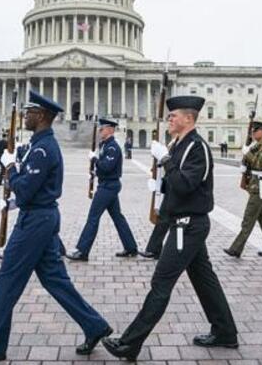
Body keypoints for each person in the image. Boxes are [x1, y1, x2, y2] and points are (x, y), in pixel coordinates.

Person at [0, 90, 112, 363]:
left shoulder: (43, 148)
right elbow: (35, 191)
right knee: (55, 280)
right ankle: (94, 325)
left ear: (41, 116)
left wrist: (10, 168)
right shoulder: (40, 144)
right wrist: (15, 203)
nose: (24, 116)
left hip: (35, 223)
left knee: (7, 280)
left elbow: (26, 188)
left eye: (29, 112)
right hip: (41, 216)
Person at [102, 95, 238, 361]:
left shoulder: (196, 147)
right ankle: (225, 332)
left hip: (187, 226)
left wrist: (165, 160)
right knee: (204, 280)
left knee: (161, 282)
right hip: (183, 224)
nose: (169, 120)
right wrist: (160, 185)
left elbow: (187, 184)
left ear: (189, 118)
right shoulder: (179, 145)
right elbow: (176, 184)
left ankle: (130, 343)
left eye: (173, 116)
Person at [67, 118, 138, 261]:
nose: (100, 131)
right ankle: (131, 247)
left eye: (102, 128)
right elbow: (103, 169)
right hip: (107, 184)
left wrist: (95, 160)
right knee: (118, 218)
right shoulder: (105, 145)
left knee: (93, 217)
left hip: (108, 187)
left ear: (111, 129)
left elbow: (107, 166)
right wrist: (94, 173)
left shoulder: (112, 147)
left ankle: (82, 250)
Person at [224, 121, 262, 258]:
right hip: (255, 185)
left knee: (249, 218)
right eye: (252, 131)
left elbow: (260, 164)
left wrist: (247, 153)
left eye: (256, 130)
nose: (253, 133)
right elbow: (249, 161)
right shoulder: (257, 146)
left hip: (261, 185)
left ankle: (236, 248)